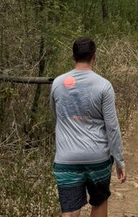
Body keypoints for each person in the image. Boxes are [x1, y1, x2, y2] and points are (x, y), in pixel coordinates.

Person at [50, 37, 126, 217]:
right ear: (94, 57)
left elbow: (56, 117)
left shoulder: (58, 84)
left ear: (73, 56)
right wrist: (119, 160)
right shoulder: (103, 86)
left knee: (69, 211)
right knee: (99, 203)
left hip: (66, 158)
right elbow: (112, 127)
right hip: (97, 158)